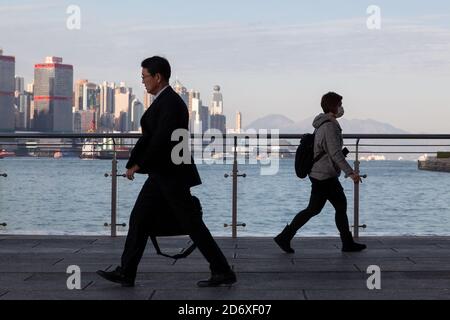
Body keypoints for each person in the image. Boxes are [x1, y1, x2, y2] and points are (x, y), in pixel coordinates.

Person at [97, 56, 236, 287]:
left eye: (144, 77)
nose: (142, 81)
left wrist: (139, 164)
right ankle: (126, 271)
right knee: (141, 218)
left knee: (189, 223)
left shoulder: (170, 103)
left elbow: (161, 140)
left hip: (170, 174)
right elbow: (157, 138)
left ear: (157, 77)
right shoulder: (167, 101)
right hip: (165, 173)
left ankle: (221, 269)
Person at [274, 92, 367, 253]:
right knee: (336, 206)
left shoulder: (322, 124)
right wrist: (351, 173)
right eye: (339, 105)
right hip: (324, 175)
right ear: (333, 107)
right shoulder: (329, 126)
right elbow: (335, 153)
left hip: (320, 174)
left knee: (316, 209)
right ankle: (347, 243)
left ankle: (285, 237)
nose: (341, 108)